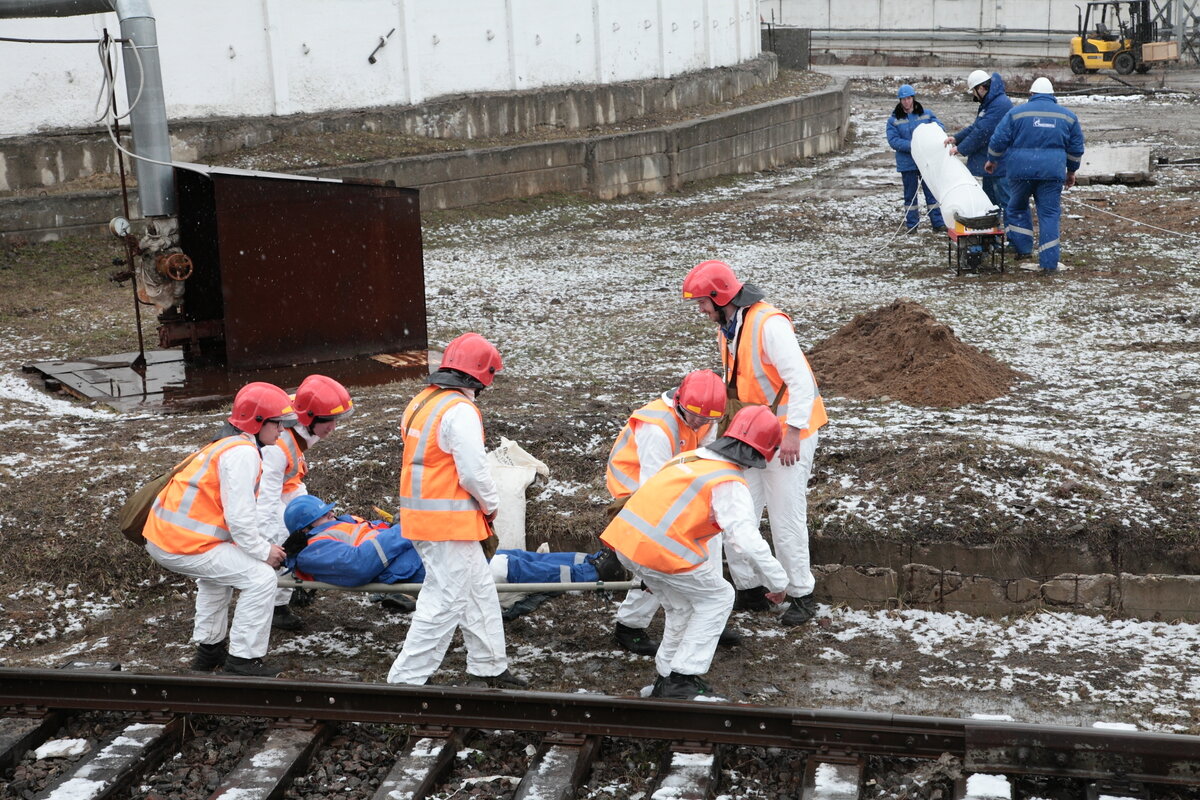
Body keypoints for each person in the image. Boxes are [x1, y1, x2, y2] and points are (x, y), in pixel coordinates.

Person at [600, 405, 789, 699]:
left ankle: (667, 678)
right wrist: (778, 582)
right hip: (660, 553)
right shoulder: (728, 482)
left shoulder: (691, 457)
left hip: (629, 544)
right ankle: (683, 677)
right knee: (719, 597)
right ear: (764, 452)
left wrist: (645, 569)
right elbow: (747, 538)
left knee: (683, 607)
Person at [682, 259, 828, 626]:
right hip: (752, 435)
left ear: (720, 297)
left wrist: (793, 431)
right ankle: (750, 589)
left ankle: (801, 594)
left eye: (702, 301)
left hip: (788, 435)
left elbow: (801, 381)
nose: (700, 309)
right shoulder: (729, 328)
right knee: (738, 511)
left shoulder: (769, 325)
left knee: (785, 517)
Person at [386, 333, 526, 688]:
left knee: (478, 592)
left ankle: (489, 668)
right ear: (484, 375)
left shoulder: (421, 401)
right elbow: (474, 473)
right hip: (450, 524)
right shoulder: (460, 411)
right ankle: (405, 683)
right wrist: (491, 507)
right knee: (445, 600)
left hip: (425, 520)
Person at [142, 382, 297, 677]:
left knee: (218, 578)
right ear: (258, 422)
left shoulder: (228, 444)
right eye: (277, 424)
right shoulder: (243, 454)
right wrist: (265, 552)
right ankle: (243, 661)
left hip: (170, 537)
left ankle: (209, 652)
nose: (281, 431)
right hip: (182, 543)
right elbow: (239, 518)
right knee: (262, 578)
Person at [605, 369, 737, 656]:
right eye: (696, 417)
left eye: (709, 420)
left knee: (709, 539)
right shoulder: (657, 428)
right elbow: (653, 487)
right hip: (636, 492)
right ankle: (630, 625)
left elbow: (705, 454)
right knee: (659, 555)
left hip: (677, 482)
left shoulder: (704, 413)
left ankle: (707, 609)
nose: (701, 423)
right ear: (680, 401)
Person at [282, 494, 628, 589]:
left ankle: (593, 561)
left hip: (424, 555)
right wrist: (408, 528)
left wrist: (402, 529)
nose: (332, 514)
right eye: (325, 514)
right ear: (309, 524)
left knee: (517, 556)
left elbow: (376, 539)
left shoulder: (333, 529)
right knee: (516, 568)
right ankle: (595, 575)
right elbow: (359, 566)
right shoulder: (315, 550)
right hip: (418, 568)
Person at [257, 374, 356, 631]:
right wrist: (266, 547)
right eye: (328, 421)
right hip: (261, 492)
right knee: (284, 535)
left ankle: (300, 579)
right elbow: (265, 501)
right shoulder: (276, 447)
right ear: (309, 419)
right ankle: (277, 604)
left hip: (286, 486)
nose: (333, 427)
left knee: (316, 521)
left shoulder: (298, 413)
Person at [985, 77, 1085, 274]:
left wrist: (992, 160)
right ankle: (1049, 264)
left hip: (1021, 172)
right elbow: (1075, 149)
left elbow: (998, 140)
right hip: (1052, 173)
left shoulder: (1016, 113)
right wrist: (1071, 171)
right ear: (1052, 96)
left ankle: (1023, 248)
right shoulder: (1068, 117)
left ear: (1031, 94)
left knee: (1016, 207)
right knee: (1049, 215)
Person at [945, 69, 1013, 213]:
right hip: (991, 163)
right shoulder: (990, 102)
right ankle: (993, 230)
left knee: (1005, 203)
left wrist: (961, 148)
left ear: (981, 88)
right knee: (990, 203)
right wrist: (957, 138)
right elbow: (977, 126)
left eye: (974, 91)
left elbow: (983, 132)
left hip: (1000, 164)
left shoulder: (1000, 104)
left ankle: (1011, 232)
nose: (974, 95)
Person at [886, 83, 947, 233]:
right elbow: (893, 141)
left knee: (931, 192)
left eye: (909, 98)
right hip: (908, 163)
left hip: (926, 162)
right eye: (903, 99)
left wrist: (930, 138)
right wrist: (914, 146)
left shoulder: (926, 114)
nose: (906, 102)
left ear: (913, 98)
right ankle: (912, 225)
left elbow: (939, 126)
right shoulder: (893, 120)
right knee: (910, 197)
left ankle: (938, 223)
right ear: (900, 101)